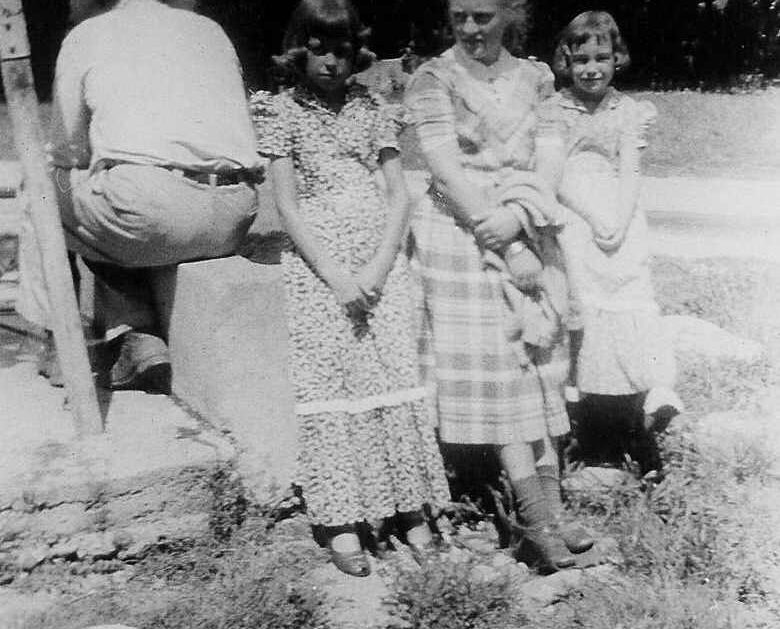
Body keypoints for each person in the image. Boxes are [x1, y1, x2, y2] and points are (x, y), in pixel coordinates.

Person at [250, 0, 451, 578]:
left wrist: (379, 267)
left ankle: (410, 509)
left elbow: (399, 195)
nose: (332, 62)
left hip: (380, 264)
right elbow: (286, 206)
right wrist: (339, 278)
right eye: (319, 49)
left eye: (341, 50)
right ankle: (342, 520)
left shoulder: (370, 108)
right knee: (334, 383)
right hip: (320, 271)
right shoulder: (281, 112)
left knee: (392, 376)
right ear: (298, 50)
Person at [405, 0, 593, 573]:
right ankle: (533, 520)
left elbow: (552, 155)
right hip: (463, 233)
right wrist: (505, 242)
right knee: (502, 372)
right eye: (459, 15)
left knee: (539, 368)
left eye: (483, 16)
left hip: (527, 219)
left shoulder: (536, 77)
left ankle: (554, 512)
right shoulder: (432, 79)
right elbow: (444, 168)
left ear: (509, 14)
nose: (469, 28)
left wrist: (521, 217)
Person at [31, 0, 263, 393]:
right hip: (235, 210)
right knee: (120, 193)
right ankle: (137, 340)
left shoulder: (86, 36)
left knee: (43, 187)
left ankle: (61, 345)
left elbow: (67, 153)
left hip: (151, 211)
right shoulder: (210, 30)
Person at [537, 11, 682, 477]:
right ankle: (589, 429)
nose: (591, 68)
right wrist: (596, 217)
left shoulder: (629, 110)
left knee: (632, 305)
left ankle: (646, 405)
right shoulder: (555, 110)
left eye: (602, 57)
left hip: (622, 220)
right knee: (587, 315)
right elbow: (554, 175)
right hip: (577, 219)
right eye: (581, 60)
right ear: (566, 62)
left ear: (617, 58)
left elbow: (630, 170)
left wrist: (619, 221)